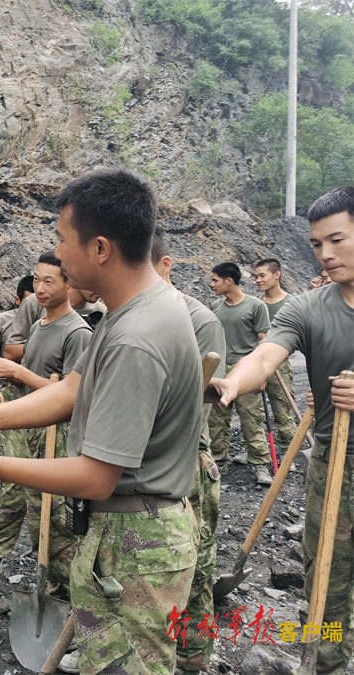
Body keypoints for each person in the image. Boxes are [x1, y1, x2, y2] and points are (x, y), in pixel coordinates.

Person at [0, 168, 202, 675]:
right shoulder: (133, 310)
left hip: (136, 541)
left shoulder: (136, 336)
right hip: (128, 533)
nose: (58, 256)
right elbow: (73, 389)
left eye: (61, 240)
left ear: (99, 248)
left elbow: (95, 476)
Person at [208, 184, 354, 675]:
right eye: (316, 244)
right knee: (325, 578)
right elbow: (265, 356)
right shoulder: (308, 307)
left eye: (336, 240)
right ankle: (326, 663)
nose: (325, 254)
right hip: (335, 461)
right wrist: (231, 384)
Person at [0, 254, 91, 595]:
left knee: (51, 505)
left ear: (69, 285)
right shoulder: (38, 326)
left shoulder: (78, 333)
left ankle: (62, 583)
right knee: (12, 490)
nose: (40, 289)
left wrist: (19, 372)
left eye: (50, 281)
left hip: (55, 432)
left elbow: (71, 395)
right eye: (36, 280)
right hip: (25, 425)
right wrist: (0, 373)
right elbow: (31, 381)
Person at [151, 228, 226, 675]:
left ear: (164, 265)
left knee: (194, 562)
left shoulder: (200, 321)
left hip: (187, 459)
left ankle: (193, 652)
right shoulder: (120, 315)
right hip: (142, 462)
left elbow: (200, 402)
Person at [208, 261, 272, 485]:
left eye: (215, 280)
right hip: (220, 368)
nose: (212, 284)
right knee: (217, 420)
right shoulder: (215, 306)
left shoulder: (255, 306)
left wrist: (262, 374)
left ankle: (261, 465)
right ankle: (217, 463)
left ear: (229, 280)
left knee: (251, 419)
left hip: (246, 367)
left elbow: (265, 344)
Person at [253, 258, 297, 453]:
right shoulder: (254, 304)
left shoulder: (291, 303)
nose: (258, 280)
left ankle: (289, 452)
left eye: (262, 276)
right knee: (253, 412)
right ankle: (256, 452)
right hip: (255, 363)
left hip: (280, 365)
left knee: (282, 410)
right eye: (255, 277)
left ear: (276, 275)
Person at [0, 275, 34, 406]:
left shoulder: (45, 323)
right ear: (17, 299)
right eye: (28, 303)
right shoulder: (2, 320)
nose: (32, 308)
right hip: (10, 388)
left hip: (37, 387)